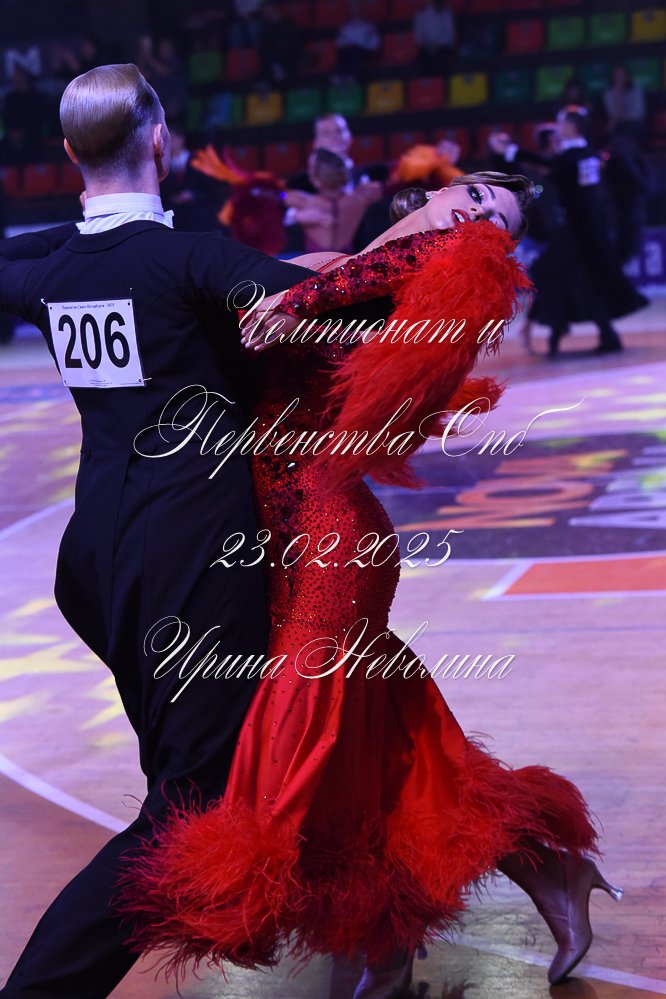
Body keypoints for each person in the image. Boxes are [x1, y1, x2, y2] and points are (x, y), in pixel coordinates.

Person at [116, 174, 621, 998]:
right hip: (273, 538)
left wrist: (301, 305)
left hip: (333, 541)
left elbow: (409, 277)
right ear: (429, 190)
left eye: (498, 221)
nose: (477, 216)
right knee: (386, 742)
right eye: (473, 194)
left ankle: (254, 877)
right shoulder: (332, 268)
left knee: (302, 720)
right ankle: (503, 887)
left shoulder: (426, 287)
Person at [0, 63, 314, 998]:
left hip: (97, 562)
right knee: (187, 806)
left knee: (193, 776)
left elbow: (49, 250)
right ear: (162, 142)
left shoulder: (56, 271)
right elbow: (342, 301)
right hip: (191, 560)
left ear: (70, 153)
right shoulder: (192, 262)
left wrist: (76, 232)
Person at [490, 107, 647, 356]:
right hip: (588, 231)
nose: (558, 127)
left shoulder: (573, 156)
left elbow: (554, 167)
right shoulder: (587, 154)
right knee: (580, 281)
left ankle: (559, 325)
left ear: (572, 126)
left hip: (576, 232)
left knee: (545, 272)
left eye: (562, 123)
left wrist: (511, 150)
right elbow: (558, 170)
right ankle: (602, 334)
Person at [284, 148, 382, 253]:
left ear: (315, 177)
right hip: (348, 260)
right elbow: (383, 186)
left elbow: (278, 195)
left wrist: (295, 216)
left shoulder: (301, 201)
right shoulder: (361, 198)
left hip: (314, 261)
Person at [334, 0, 381, 83]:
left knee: (355, 51)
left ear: (361, 7)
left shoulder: (368, 25)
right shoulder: (345, 27)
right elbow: (339, 43)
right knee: (346, 52)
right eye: (352, 7)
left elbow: (375, 43)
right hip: (348, 53)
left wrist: (359, 46)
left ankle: (352, 77)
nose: (355, 9)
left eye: (357, 6)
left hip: (366, 53)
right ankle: (340, 77)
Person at [412, 0, 457, 75]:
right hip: (426, 48)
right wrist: (428, 45)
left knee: (441, 58)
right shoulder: (419, 13)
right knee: (424, 58)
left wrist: (438, 44)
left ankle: (441, 79)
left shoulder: (446, 12)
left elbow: (449, 34)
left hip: (443, 47)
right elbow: (417, 34)